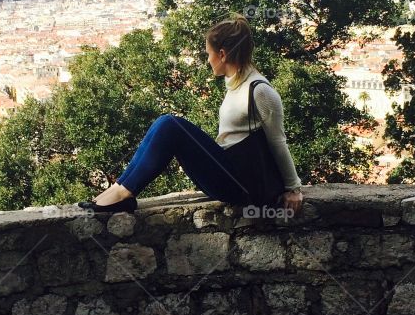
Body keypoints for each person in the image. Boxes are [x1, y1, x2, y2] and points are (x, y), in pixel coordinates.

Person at [77, 13, 304, 216]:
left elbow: (278, 141)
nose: (208, 60)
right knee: (163, 122)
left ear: (222, 54)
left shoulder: (260, 90)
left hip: (245, 186)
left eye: (209, 54)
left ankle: (123, 193)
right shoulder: (235, 83)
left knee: (170, 125)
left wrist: (293, 188)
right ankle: (120, 188)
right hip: (230, 174)